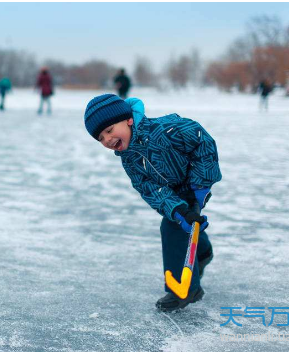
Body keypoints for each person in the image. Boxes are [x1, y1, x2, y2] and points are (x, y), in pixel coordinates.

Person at [83, 94, 222, 312]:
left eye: (109, 131)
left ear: (128, 120)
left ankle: (186, 290)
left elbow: (201, 140)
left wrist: (201, 184)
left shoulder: (165, 129)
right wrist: (177, 210)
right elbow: (149, 188)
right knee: (181, 222)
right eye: (100, 138)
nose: (107, 140)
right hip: (174, 194)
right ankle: (202, 251)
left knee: (171, 229)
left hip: (196, 181)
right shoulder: (129, 159)